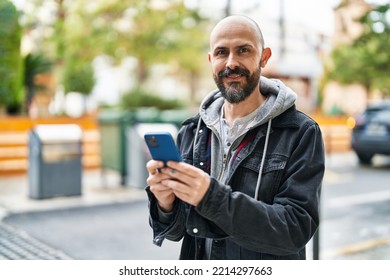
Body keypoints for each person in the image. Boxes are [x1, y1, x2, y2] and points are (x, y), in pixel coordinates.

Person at [145, 15, 325, 260]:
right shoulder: (191, 131)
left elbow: (295, 230)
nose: (231, 63)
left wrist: (211, 197)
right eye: (221, 52)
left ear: (264, 57)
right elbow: (178, 232)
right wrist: (165, 204)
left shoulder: (300, 132)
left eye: (243, 50)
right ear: (211, 60)